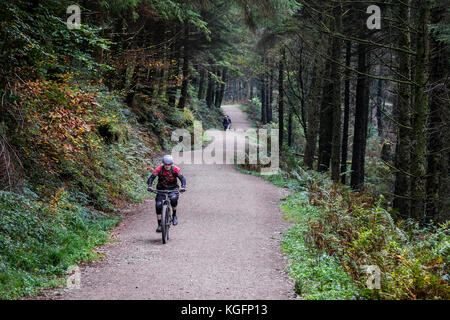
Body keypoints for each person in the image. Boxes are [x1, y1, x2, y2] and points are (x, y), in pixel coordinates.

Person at [147, 155, 186, 233]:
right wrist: (150, 186)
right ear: (163, 164)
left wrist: (183, 187)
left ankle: (174, 215)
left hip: (173, 189)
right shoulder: (158, 169)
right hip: (161, 189)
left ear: (171, 164)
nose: (167, 166)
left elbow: (182, 178)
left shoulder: (175, 169)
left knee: (173, 199)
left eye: (169, 164)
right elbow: (151, 178)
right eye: (165, 164)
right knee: (158, 205)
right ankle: (160, 225)